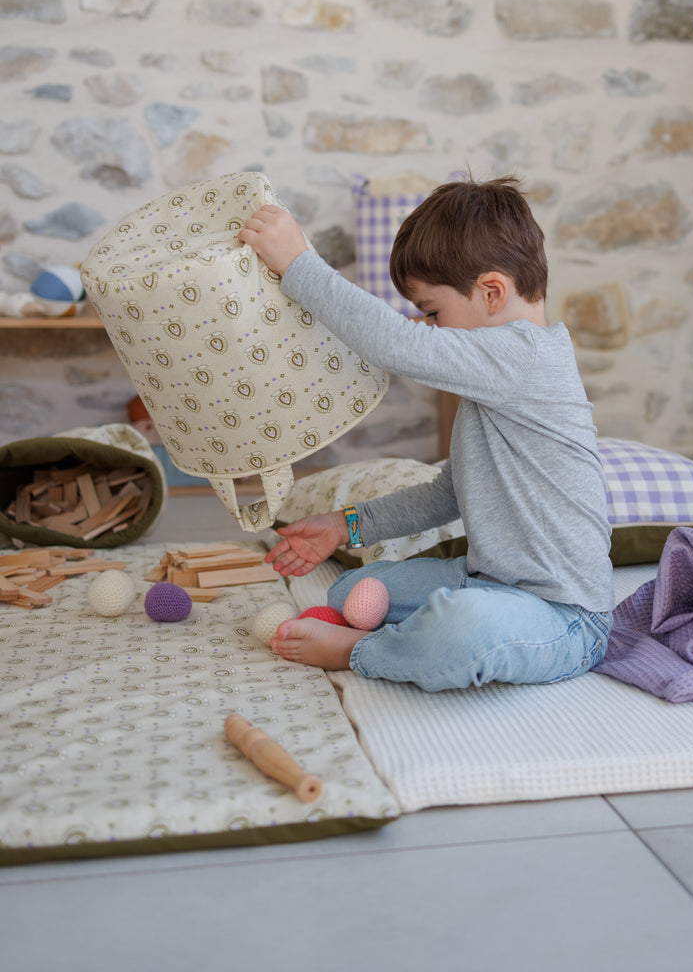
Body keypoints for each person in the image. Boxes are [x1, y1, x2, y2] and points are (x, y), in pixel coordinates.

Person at [237, 176, 615, 693]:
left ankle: (362, 652)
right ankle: (411, 634)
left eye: (434, 313)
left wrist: (298, 263)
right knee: (354, 591)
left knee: (461, 628)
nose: (431, 328)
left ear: (492, 292)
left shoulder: (526, 357)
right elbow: (447, 494)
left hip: (563, 618)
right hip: (489, 582)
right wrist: (345, 526)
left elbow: (396, 343)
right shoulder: (492, 384)